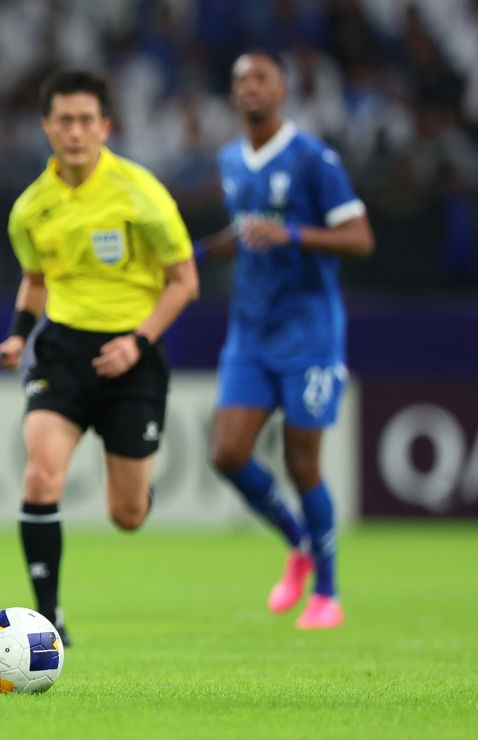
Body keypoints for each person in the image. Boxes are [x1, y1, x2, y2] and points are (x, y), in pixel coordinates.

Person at [0, 69, 199, 645]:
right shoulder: (31, 208)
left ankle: (139, 491)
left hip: (133, 355)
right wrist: (18, 334)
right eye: (65, 120)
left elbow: (184, 281)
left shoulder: (141, 192)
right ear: (47, 127)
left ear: (105, 126)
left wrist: (138, 341)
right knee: (39, 476)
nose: (76, 131)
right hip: (62, 351)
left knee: (127, 516)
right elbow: (36, 280)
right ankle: (49, 623)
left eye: (87, 120)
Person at [199, 51, 374, 630]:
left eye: (260, 79)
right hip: (250, 331)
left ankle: (328, 592)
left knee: (304, 464)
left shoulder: (313, 159)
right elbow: (245, 232)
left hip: (309, 334)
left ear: (283, 90)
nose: (248, 87)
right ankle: (297, 542)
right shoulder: (230, 158)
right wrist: (194, 254)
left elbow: (360, 237)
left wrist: (293, 232)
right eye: (240, 79)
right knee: (226, 454)